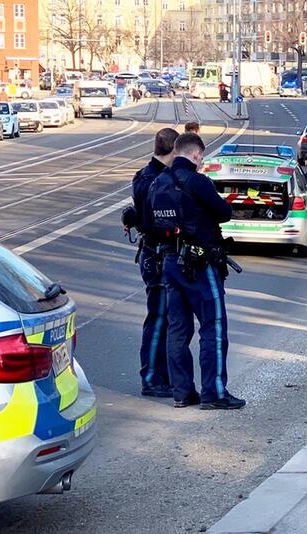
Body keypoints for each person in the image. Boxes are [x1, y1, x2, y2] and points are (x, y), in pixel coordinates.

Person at [147, 133, 245, 410]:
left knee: (177, 329)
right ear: (195, 155)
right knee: (213, 327)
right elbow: (224, 213)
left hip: (169, 263)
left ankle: (182, 392)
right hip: (199, 265)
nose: (201, 162)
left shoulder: (158, 182)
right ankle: (214, 393)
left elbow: (149, 222)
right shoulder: (197, 181)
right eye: (200, 158)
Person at [125, 128, 179, 398]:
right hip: (156, 255)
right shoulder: (156, 179)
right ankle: (151, 378)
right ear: (174, 150)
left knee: (166, 319)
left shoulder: (145, 174)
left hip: (153, 253)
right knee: (158, 319)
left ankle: (162, 375)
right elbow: (153, 219)